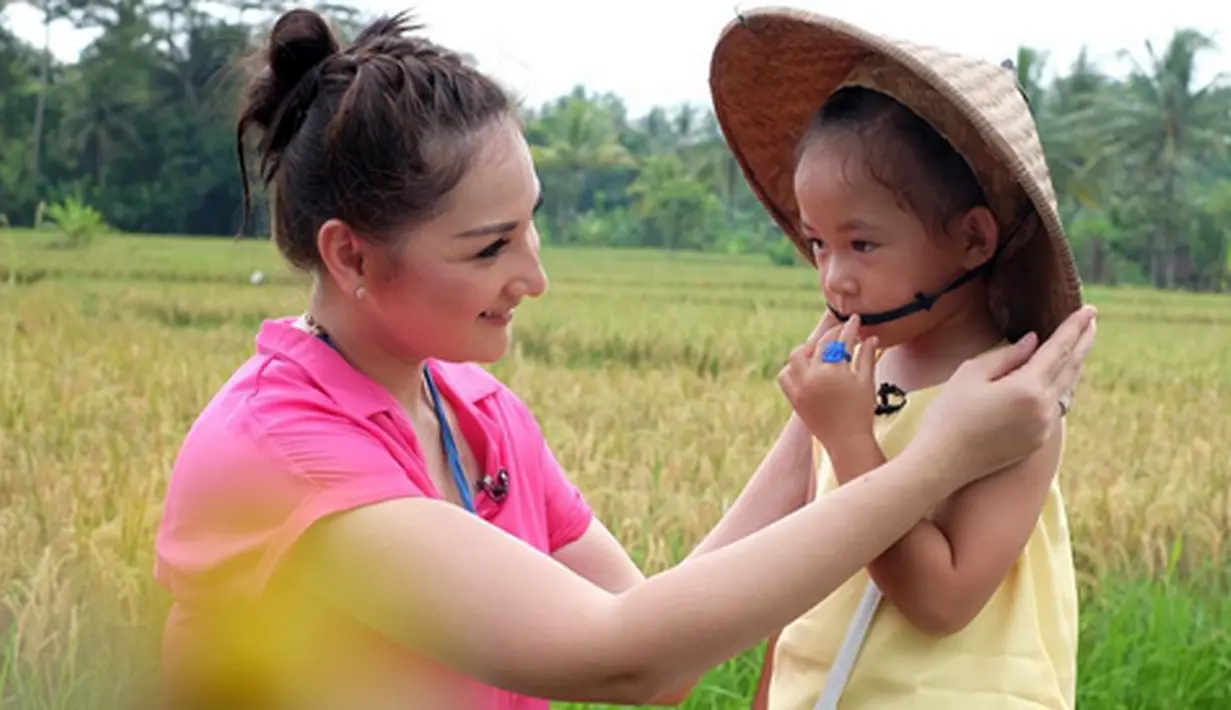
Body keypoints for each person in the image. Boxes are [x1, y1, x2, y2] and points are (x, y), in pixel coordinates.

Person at [151, 7, 1097, 710]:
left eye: (530, 225)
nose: (535, 274)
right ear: (350, 256)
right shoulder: (287, 457)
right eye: (488, 247)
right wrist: (936, 461)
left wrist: (828, 419)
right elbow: (622, 654)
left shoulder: (477, 415)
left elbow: (667, 641)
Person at [708, 8, 1087, 710]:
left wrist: (850, 440)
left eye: (863, 245)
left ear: (972, 240)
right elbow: (804, 573)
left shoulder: (1014, 404)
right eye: (818, 243)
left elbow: (941, 601)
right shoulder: (851, 376)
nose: (833, 279)